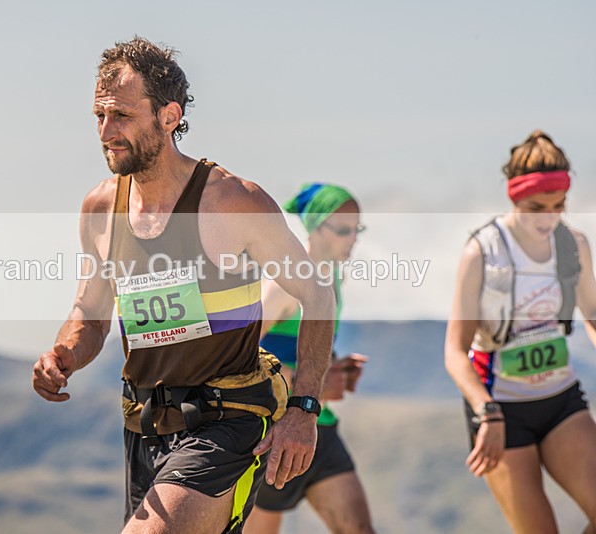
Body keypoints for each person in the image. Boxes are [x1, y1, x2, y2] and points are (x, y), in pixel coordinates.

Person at [31, 37, 336, 534]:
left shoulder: (234, 202)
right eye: (99, 117)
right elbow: (91, 311)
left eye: (122, 116)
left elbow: (317, 295)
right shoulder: (100, 208)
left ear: (169, 116)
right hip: (143, 426)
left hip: (227, 421)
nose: (107, 132)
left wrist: (304, 409)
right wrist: (63, 352)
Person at [445, 130, 596, 533]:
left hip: (560, 399)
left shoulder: (574, 244)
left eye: (559, 206)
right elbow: (455, 353)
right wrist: (487, 412)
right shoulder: (483, 251)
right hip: (499, 407)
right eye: (536, 207)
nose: (549, 217)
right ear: (513, 198)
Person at [245, 184, 374, 533]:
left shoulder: (331, 278)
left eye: (357, 230)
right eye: (344, 230)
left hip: (318, 425)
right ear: (315, 228)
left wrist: (334, 372)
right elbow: (237, 355)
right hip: (272, 433)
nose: (353, 239)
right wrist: (305, 382)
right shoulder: (284, 283)